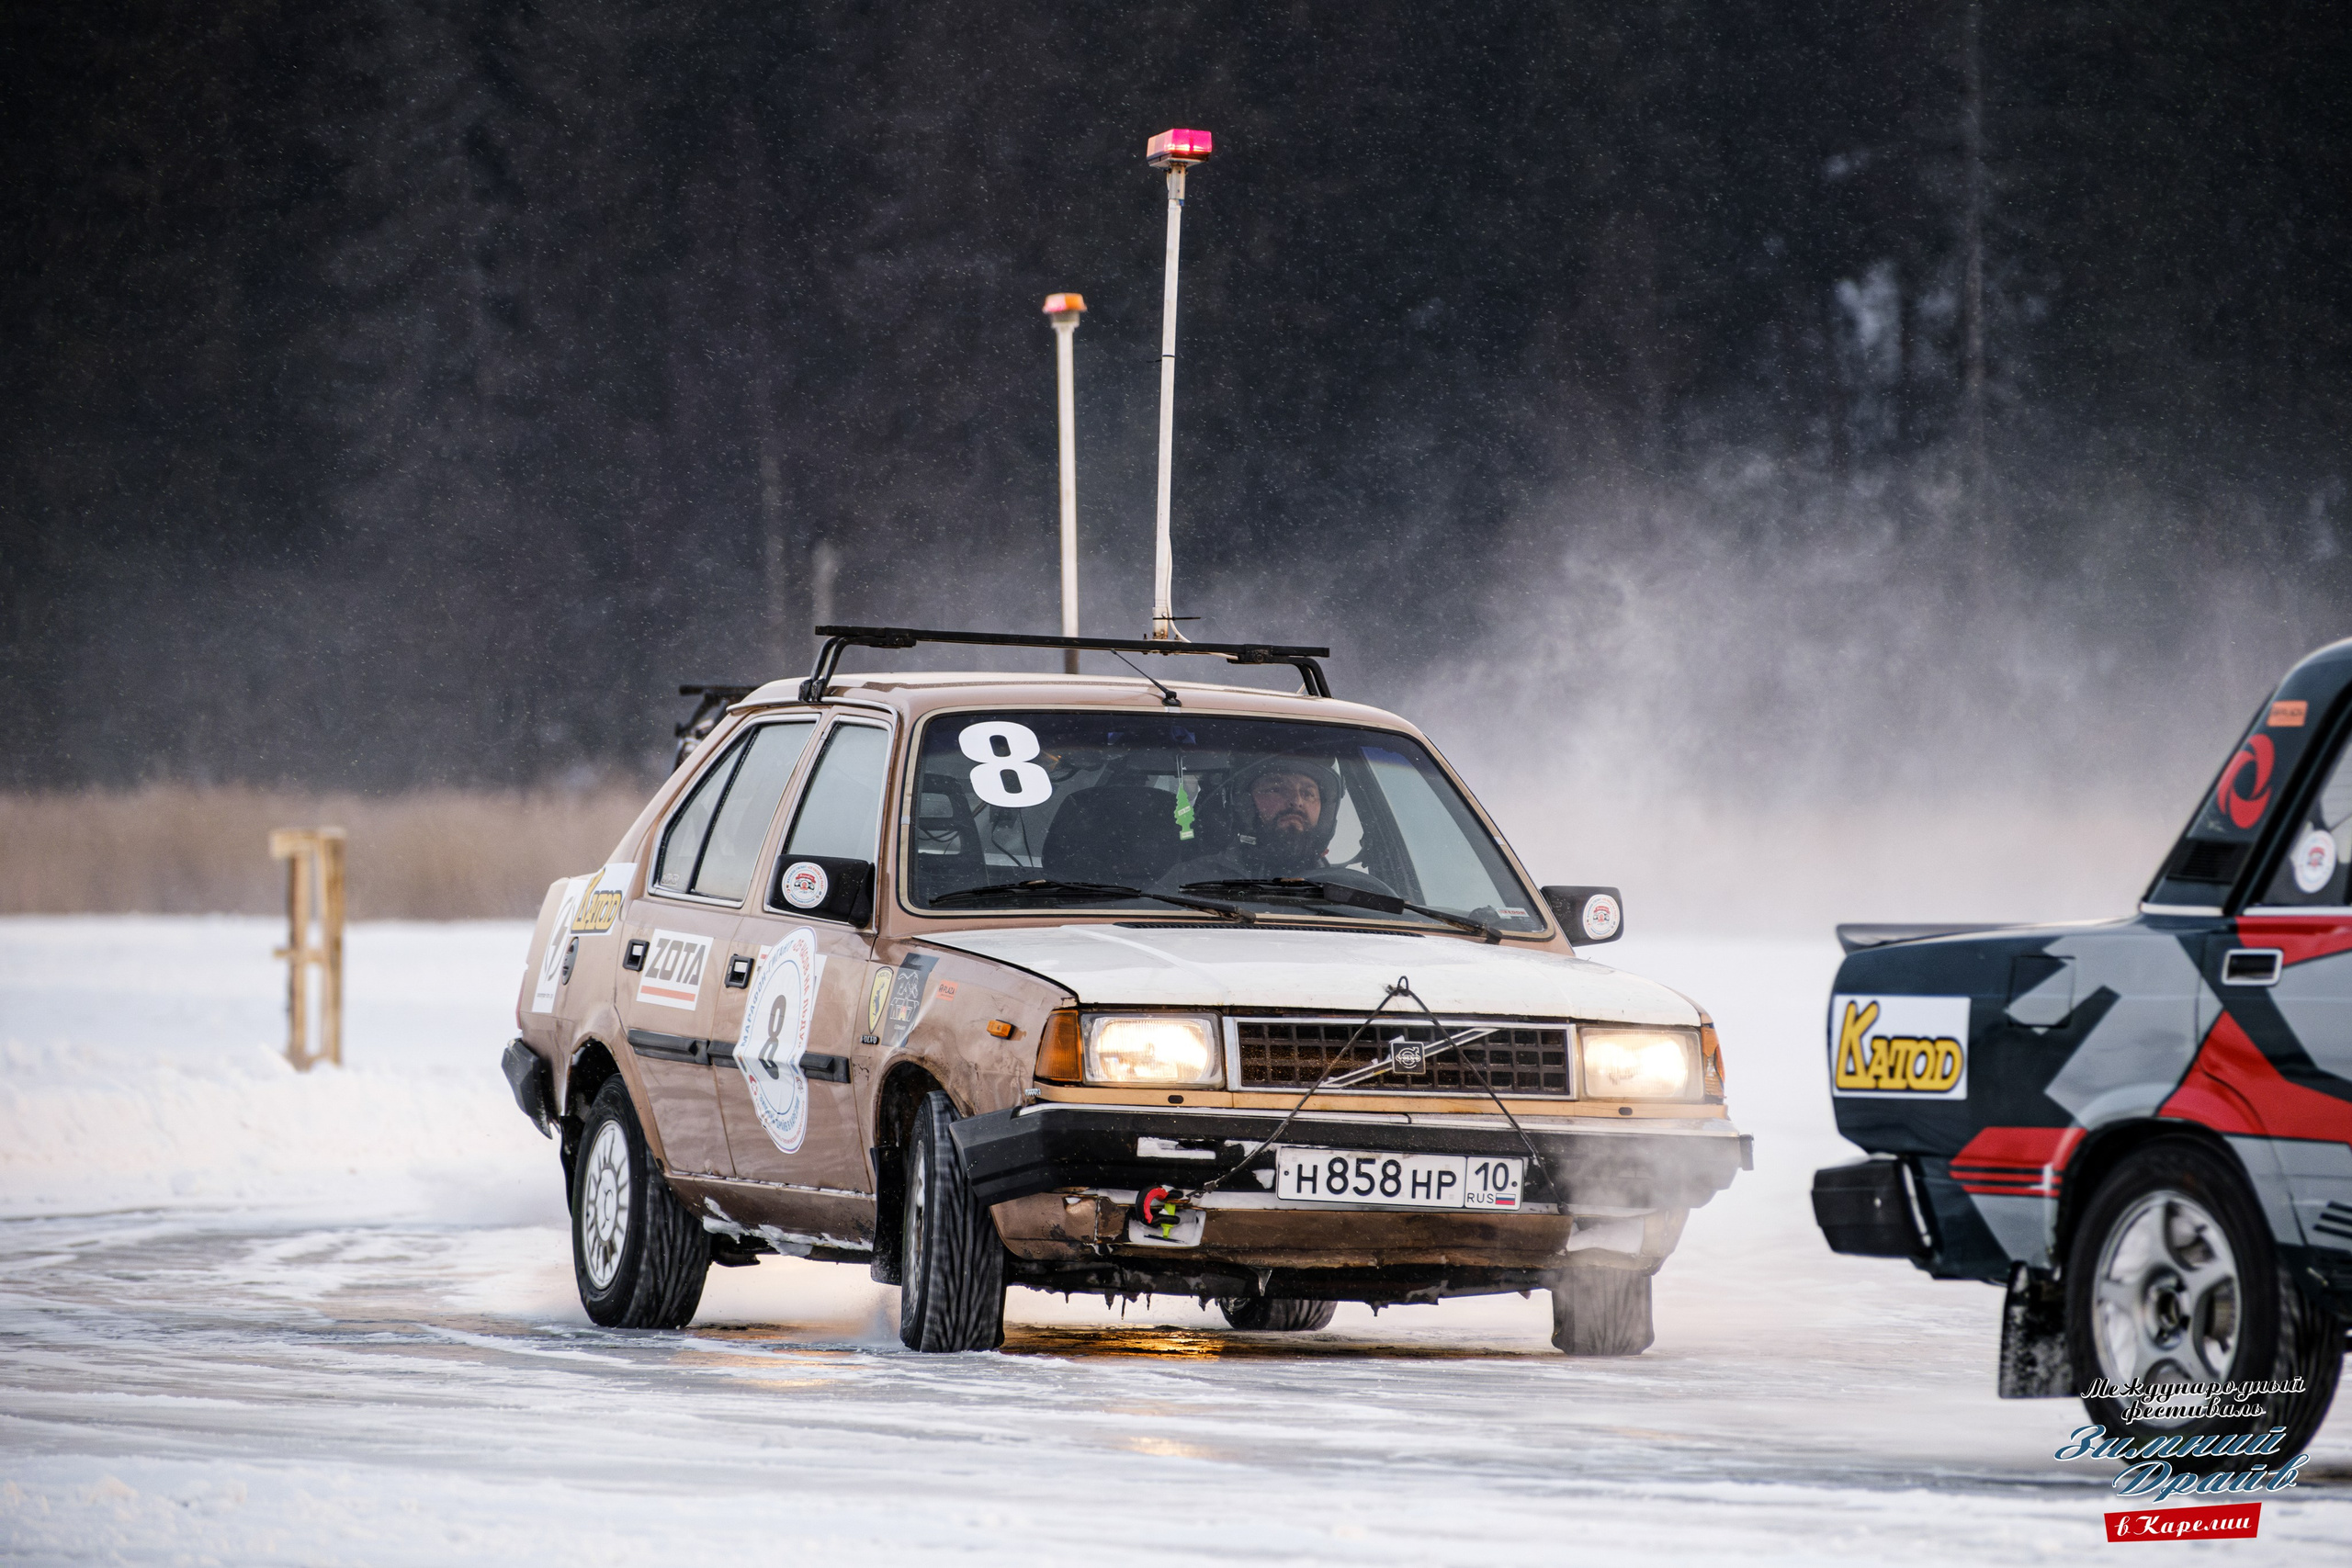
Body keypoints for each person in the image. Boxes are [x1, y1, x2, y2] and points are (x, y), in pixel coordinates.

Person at [1162, 753, 1348, 883]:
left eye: (1308, 794)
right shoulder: (1192, 881)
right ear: (1245, 804)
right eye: (1276, 789)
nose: (1297, 801)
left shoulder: (1350, 893)